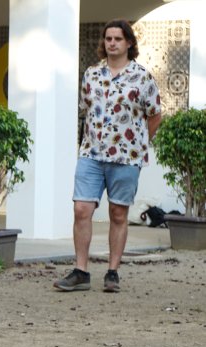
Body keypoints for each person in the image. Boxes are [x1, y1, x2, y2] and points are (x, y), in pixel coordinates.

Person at [54, 19, 162, 293]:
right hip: (91, 154)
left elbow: (155, 114)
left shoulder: (142, 77)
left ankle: (112, 272)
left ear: (129, 43)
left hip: (126, 158)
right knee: (81, 209)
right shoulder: (91, 75)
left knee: (117, 213)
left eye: (117, 38)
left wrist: (139, 144)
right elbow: (84, 111)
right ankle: (81, 271)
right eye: (108, 38)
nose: (112, 42)